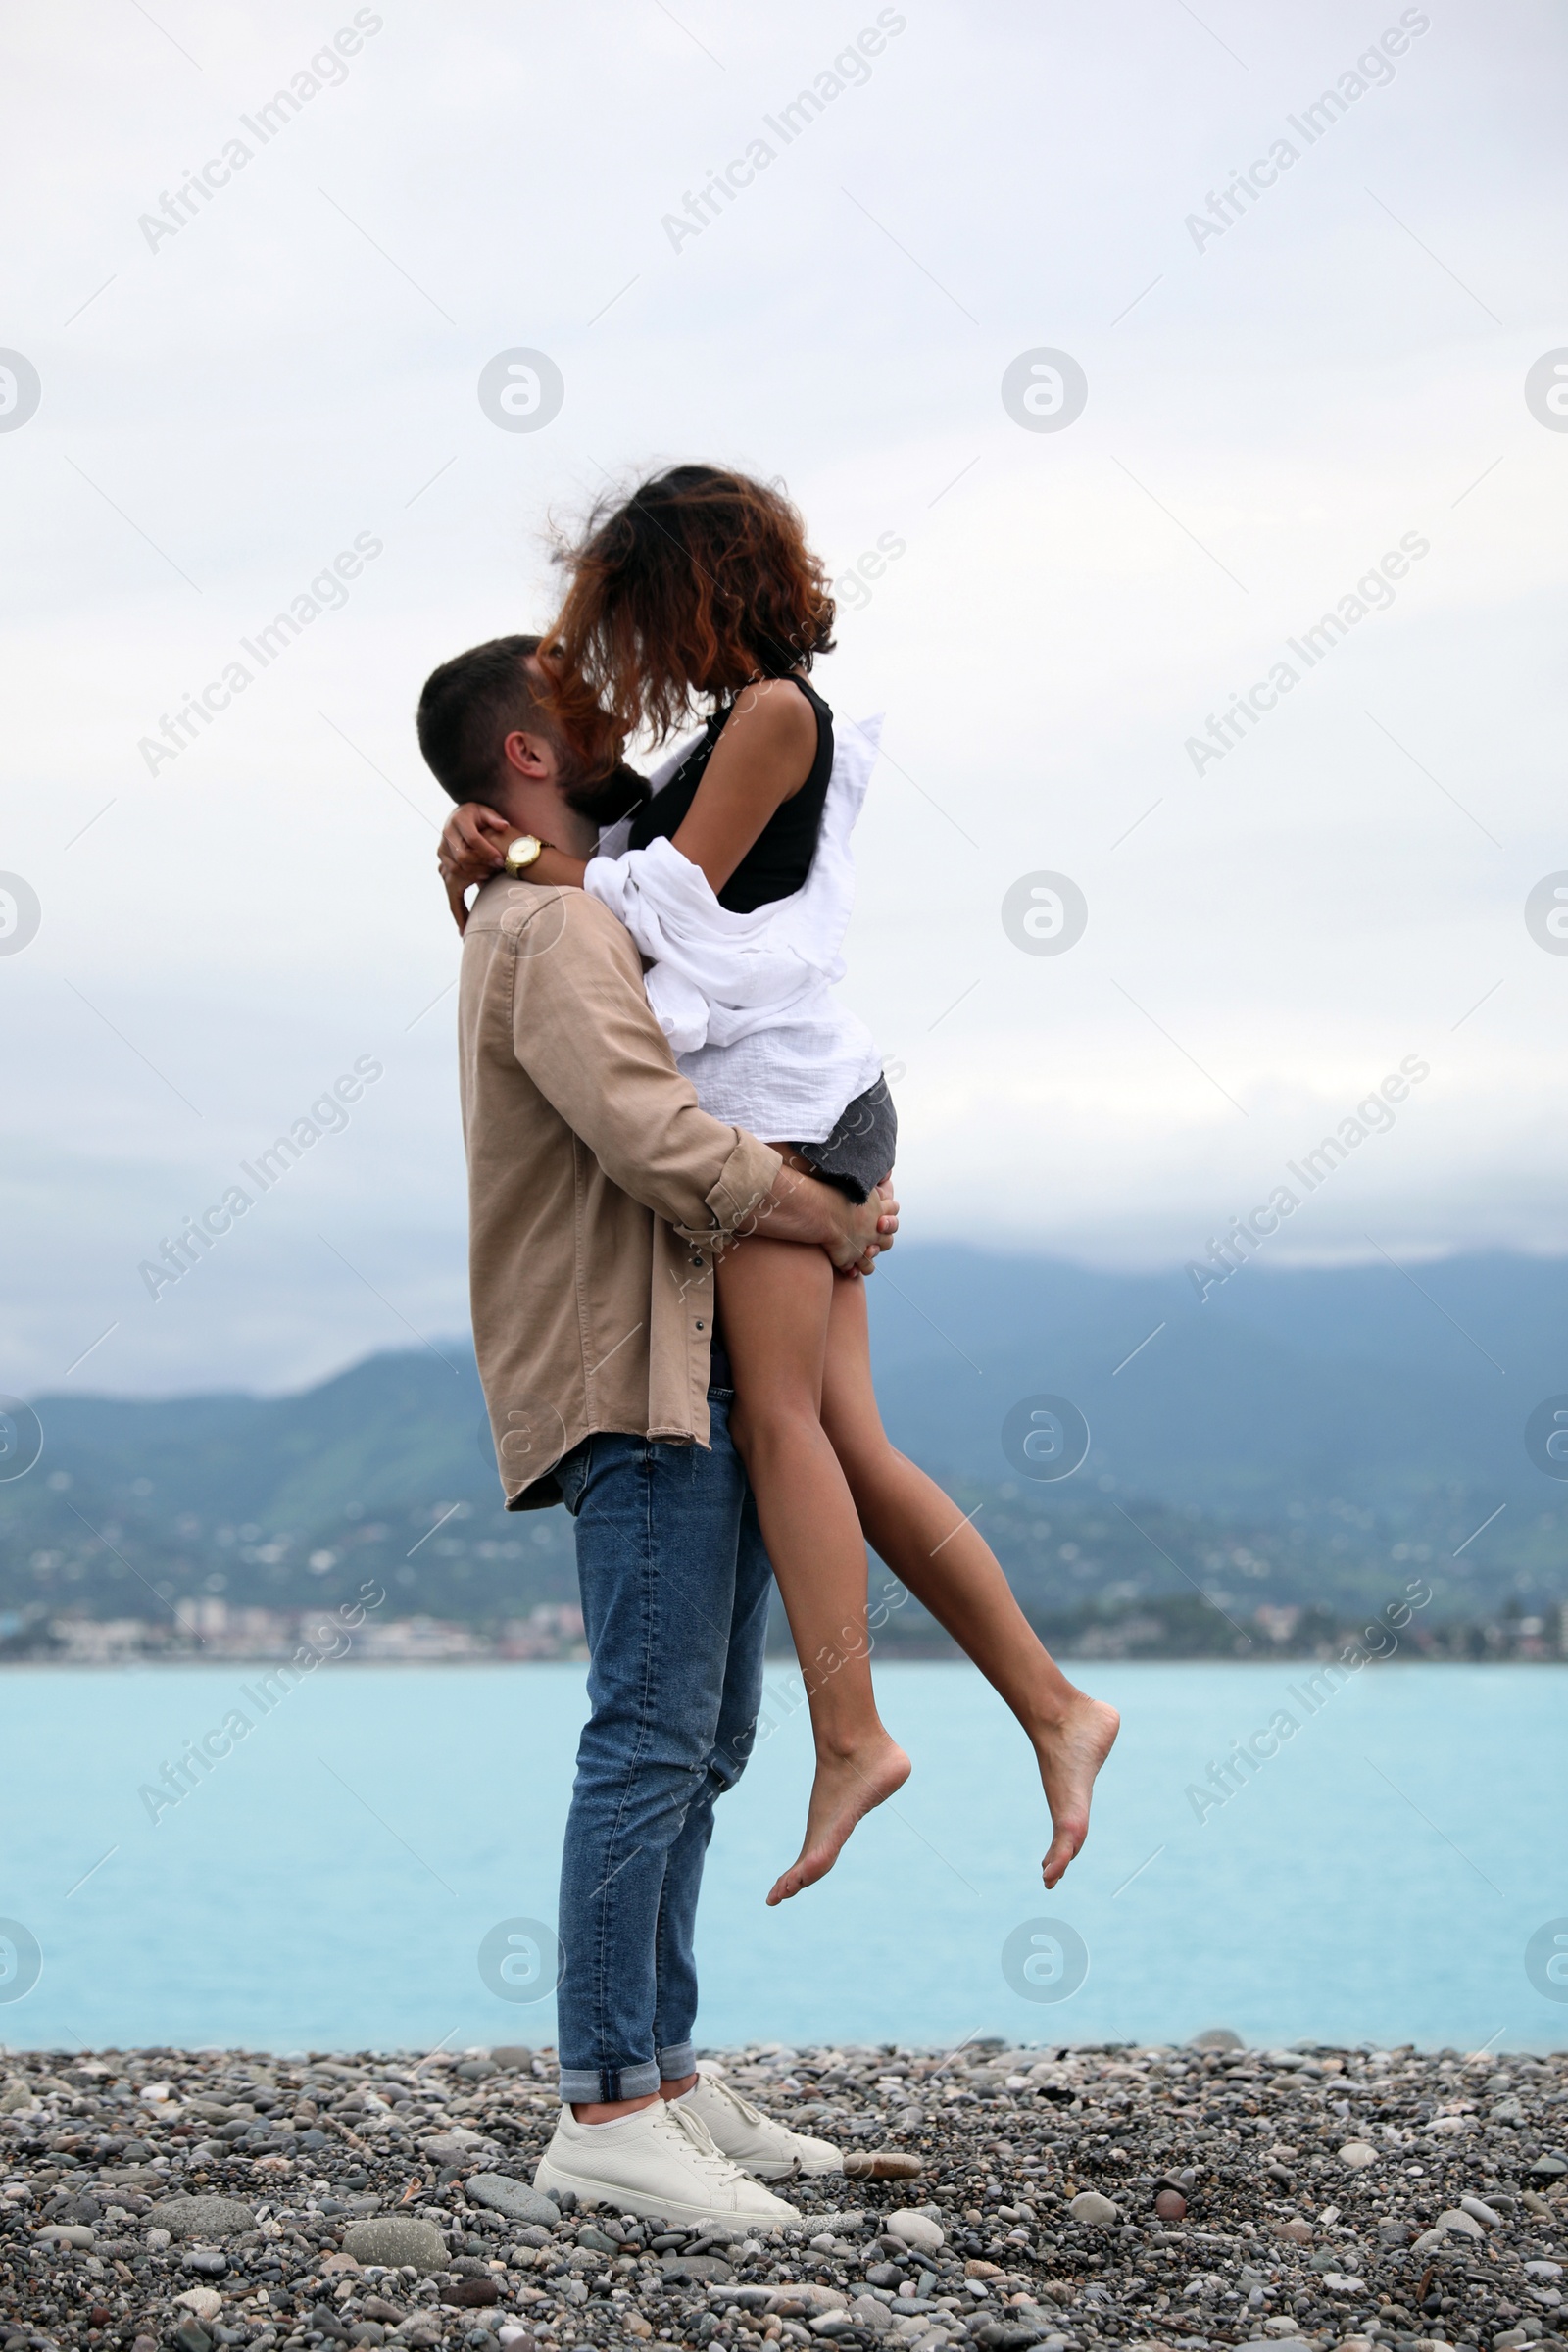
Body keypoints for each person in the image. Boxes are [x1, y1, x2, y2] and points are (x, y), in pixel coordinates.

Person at [434, 465, 1120, 1909]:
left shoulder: (775, 714)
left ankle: (854, 1731)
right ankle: (1053, 1707)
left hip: (792, 1119)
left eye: (625, 618)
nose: (619, 663)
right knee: (853, 1444)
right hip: (813, 1108)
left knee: (789, 1429)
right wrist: (486, 848)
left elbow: (661, 906)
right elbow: (613, 865)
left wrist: (523, 862)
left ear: (688, 591)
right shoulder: (728, 732)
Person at [417, 633, 894, 2221]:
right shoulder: (547, 929)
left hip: (680, 1354)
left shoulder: (556, 891)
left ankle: (664, 2074)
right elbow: (647, 1132)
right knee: (647, 1735)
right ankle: (607, 2110)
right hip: (633, 1372)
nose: (616, 707)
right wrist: (820, 1211)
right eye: (578, 698)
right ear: (527, 754)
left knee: (708, 1739)